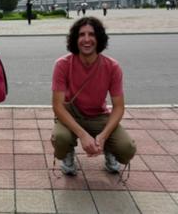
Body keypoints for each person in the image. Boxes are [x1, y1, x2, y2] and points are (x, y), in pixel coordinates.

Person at [51, 16, 136, 178]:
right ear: (75, 40)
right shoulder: (63, 64)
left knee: (127, 149)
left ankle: (109, 151)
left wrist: (103, 137)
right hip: (72, 114)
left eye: (92, 34)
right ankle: (68, 153)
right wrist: (83, 135)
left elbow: (118, 107)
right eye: (81, 35)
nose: (86, 39)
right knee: (60, 139)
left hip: (99, 115)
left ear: (99, 39)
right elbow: (58, 106)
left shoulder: (112, 67)